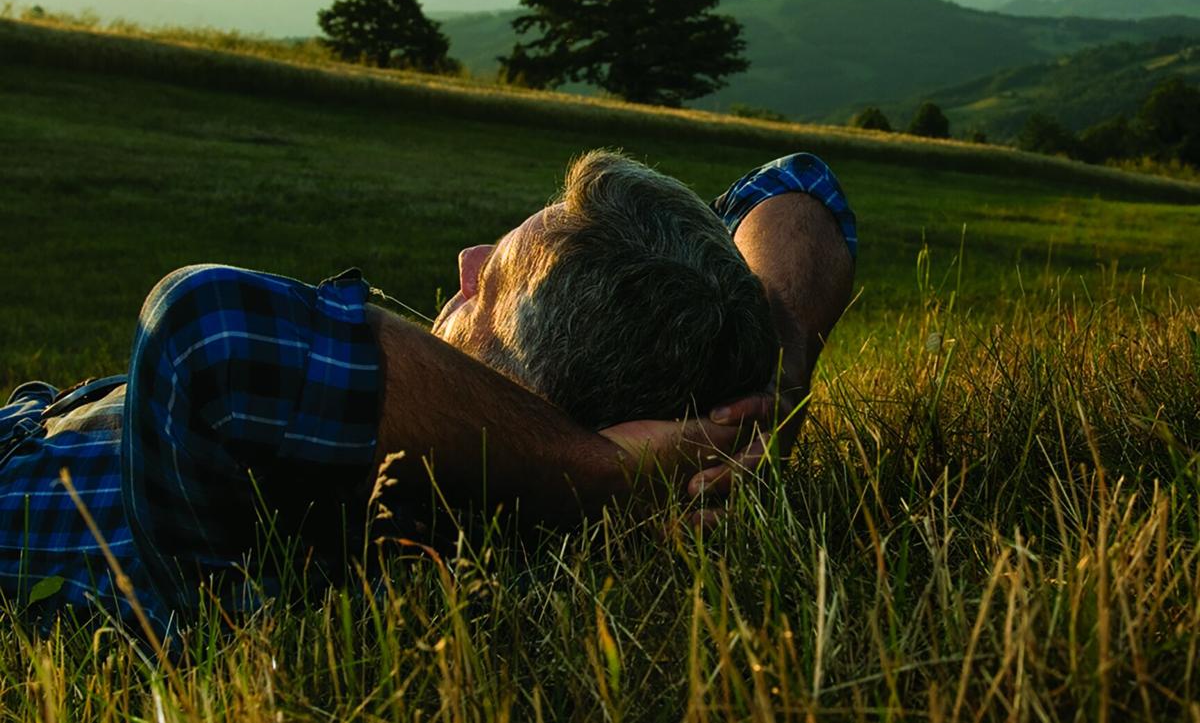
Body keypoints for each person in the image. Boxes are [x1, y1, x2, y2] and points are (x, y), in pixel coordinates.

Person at [0, 150, 856, 643]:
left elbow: (207, 327)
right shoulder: (638, 410)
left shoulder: (355, 534)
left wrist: (603, 471)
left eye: (492, 292)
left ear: (531, 403)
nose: (467, 260)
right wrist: (766, 392)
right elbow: (796, 185)